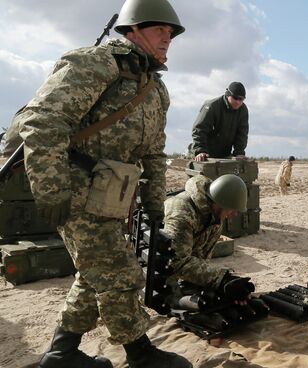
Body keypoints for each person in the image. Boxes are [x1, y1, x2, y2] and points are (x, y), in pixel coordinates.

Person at [16, 0, 192, 367]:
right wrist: (51, 189)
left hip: (114, 197)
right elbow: (43, 119)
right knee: (119, 273)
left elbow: (155, 153)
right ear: (133, 29)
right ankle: (141, 355)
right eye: (160, 30)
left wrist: (156, 202)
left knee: (92, 273)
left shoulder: (155, 89)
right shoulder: (96, 63)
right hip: (76, 191)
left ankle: (62, 354)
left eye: (171, 33)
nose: (168, 38)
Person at [163, 174, 254, 306]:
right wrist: (222, 279)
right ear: (221, 202)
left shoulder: (215, 219)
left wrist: (219, 284)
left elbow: (201, 258)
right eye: (233, 209)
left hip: (177, 264)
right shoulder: (182, 213)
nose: (234, 214)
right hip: (160, 264)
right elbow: (177, 262)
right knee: (175, 304)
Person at [191, 81, 249, 161]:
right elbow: (199, 129)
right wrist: (200, 151)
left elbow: (242, 133)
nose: (238, 102)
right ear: (228, 94)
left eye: (241, 99)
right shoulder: (212, 106)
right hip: (205, 154)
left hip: (224, 154)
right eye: (235, 98)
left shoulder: (243, 110)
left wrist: (239, 152)